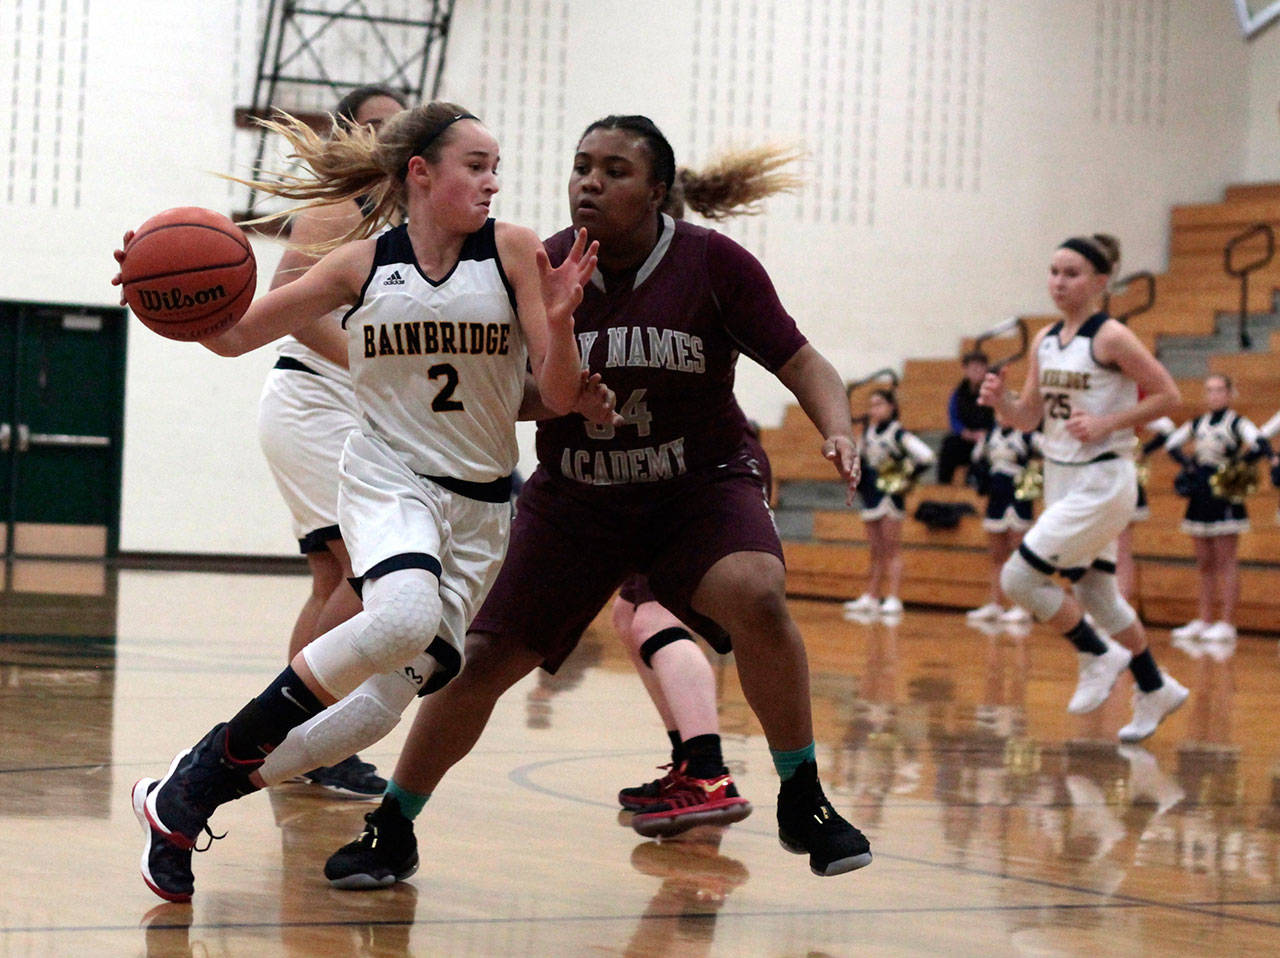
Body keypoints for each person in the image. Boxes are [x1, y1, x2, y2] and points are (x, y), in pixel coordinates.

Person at [321, 114, 873, 889]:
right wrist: (555, 400)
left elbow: (802, 361)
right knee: (478, 661)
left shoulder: (715, 265)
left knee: (756, 592)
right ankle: (394, 825)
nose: (589, 181)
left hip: (697, 487)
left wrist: (839, 429)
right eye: (582, 165)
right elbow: (504, 396)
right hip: (578, 498)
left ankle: (804, 796)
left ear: (656, 190)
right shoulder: (535, 263)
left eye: (614, 170)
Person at [121, 101, 617, 903]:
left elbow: (556, 395)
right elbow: (233, 335)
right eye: (477, 165)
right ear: (421, 174)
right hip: (390, 479)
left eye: (497, 166)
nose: (495, 180)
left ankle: (187, 796)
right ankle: (208, 767)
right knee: (400, 618)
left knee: (377, 713)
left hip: (482, 510)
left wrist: (558, 324)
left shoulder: (519, 252)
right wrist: (164, 287)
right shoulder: (359, 264)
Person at [256, 84, 407, 799]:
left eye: (397, 127)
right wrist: (374, 362)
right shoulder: (335, 210)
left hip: (347, 409)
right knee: (364, 570)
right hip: (312, 401)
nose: (386, 137)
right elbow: (289, 311)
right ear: (348, 134)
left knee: (331, 579)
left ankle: (289, 738)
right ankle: (311, 735)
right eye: (373, 125)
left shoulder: (407, 216)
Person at [978, 232, 1186, 743]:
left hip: (1103, 477)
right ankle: (1155, 686)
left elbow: (1168, 395)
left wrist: (1109, 421)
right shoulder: (1045, 340)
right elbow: (1029, 417)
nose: (1059, 282)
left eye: (1071, 273)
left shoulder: (1111, 336)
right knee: (1099, 595)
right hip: (1061, 477)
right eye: (1054, 272)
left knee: (1019, 580)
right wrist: (1000, 400)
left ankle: (1097, 654)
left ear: (1099, 281)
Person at [614, 423, 771, 836]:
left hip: (697, 460)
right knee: (627, 614)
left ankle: (708, 774)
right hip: (680, 460)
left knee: (654, 619)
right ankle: (688, 763)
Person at [1165, 374, 1269, 644]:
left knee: (1226, 559)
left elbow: (1260, 443)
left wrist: (1237, 465)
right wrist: (1189, 465)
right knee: (1204, 561)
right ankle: (1204, 619)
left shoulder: (1237, 422)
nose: (1214, 395)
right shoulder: (1197, 423)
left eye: (1219, 390)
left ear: (1230, 392)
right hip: (1201, 492)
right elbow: (1171, 444)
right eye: (1209, 390)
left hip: (1224, 492)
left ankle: (1227, 622)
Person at [842, 389, 935, 618]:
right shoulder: (868, 432)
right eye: (871, 405)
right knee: (875, 549)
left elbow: (926, 456)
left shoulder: (898, 433)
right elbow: (858, 458)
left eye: (879, 404)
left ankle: (893, 597)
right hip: (871, 494)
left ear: (891, 407)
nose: (874, 409)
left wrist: (904, 477)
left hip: (891, 495)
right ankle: (871, 596)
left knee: (891, 548)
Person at [964, 415, 1041, 624]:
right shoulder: (989, 438)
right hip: (996, 498)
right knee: (997, 556)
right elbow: (976, 459)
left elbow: (1050, 451)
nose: (1003, 416)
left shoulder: (1027, 437)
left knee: (1020, 554)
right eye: (999, 412)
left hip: (1019, 498)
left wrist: (1034, 473)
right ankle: (995, 604)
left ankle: (1023, 606)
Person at [1114, 416, 1175, 601]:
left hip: (1124, 481)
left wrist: (1144, 451)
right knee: (1100, 549)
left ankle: (1121, 603)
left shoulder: (1132, 406)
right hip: (1099, 480)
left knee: (1120, 548)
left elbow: (1168, 428)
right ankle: (1101, 605)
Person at [937, 350, 995, 485]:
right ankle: (942, 486)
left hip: (987, 438)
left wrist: (986, 434)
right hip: (966, 438)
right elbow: (954, 418)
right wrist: (965, 433)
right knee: (949, 444)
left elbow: (1000, 416)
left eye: (980, 367)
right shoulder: (958, 393)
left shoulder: (993, 391)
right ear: (966, 369)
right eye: (972, 367)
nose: (976, 371)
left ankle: (978, 484)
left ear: (986, 369)